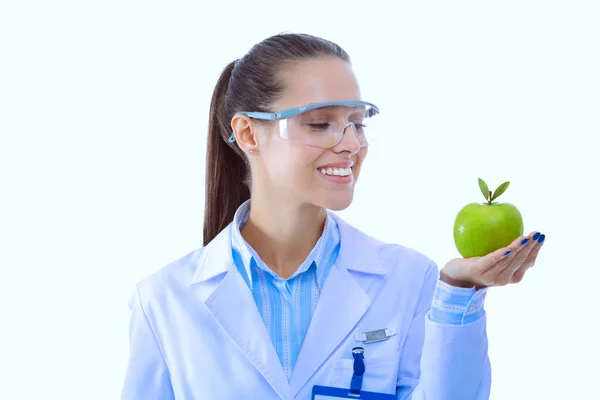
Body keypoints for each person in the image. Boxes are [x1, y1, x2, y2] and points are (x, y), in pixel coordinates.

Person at [121, 33, 545, 400]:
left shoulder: (410, 280)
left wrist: (458, 289)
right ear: (250, 133)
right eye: (321, 123)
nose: (351, 144)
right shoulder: (163, 300)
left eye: (357, 124)